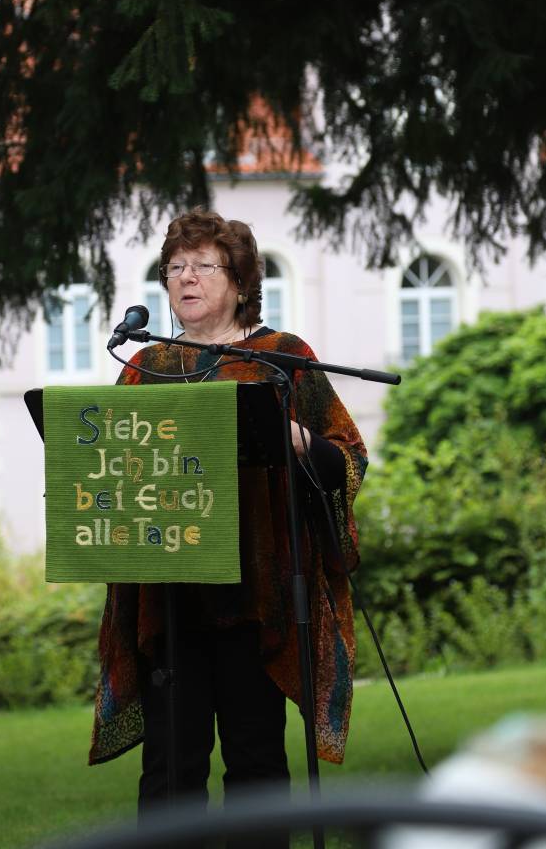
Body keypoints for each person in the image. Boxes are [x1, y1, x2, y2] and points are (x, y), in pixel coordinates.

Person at [88, 208, 367, 846]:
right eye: (175, 267)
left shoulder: (282, 360)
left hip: (256, 604)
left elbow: (348, 455)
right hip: (170, 601)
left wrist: (303, 445)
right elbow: (114, 466)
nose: (185, 278)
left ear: (240, 282)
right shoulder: (146, 365)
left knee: (256, 764)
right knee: (168, 772)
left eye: (203, 266)